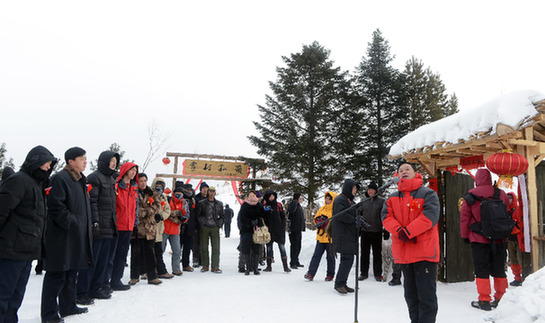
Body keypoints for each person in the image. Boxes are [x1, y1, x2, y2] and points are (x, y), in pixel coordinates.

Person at [0, 146, 56, 323]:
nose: (48, 168)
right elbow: (2, 211)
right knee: (3, 296)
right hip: (10, 251)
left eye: (49, 165)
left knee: (16, 298)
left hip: (26, 251)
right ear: (36, 162)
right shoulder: (18, 181)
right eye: (46, 164)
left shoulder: (36, 185)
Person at [382, 162, 440, 323]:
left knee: (426, 298)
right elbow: (386, 218)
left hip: (425, 253)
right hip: (405, 255)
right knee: (411, 297)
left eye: (407, 169)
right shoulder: (392, 198)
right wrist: (399, 231)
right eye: (400, 170)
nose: (404, 172)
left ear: (416, 173)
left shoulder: (428, 194)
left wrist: (408, 232)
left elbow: (430, 216)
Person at [41, 147, 93, 322]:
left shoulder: (79, 180)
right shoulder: (60, 178)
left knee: (71, 274)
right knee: (56, 276)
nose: (85, 161)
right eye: (82, 158)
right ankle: (49, 314)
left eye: (86, 158)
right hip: (61, 237)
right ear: (70, 161)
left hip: (76, 236)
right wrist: (73, 223)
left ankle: (68, 306)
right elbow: (56, 206)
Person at [460, 168, 510, 311]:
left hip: (478, 238)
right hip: (499, 238)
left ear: (477, 180)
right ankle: (501, 298)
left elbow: (464, 219)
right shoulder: (500, 193)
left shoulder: (470, 196)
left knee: (481, 270)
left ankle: (484, 300)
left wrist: (465, 236)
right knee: (499, 269)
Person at [76, 150, 119, 305]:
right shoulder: (95, 177)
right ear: (104, 161)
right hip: (98, 227)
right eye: (111, 160)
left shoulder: (111, 179)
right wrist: (95, 222)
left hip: (109, 226)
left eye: (115, 161)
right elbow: (92, 202)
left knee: (103, 261)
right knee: (91, 261)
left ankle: (96, 288)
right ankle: (82, 291)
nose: (114, 163)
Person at [110, 162, 139, 291]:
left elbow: (135, 208)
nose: (133, 172)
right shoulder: (116, 186)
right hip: (116, 225)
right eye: (131, 170)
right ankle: (106, 281)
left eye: (135, 170)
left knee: (122, 255)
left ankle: (116, 280)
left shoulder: (134, 188)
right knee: (111, 255)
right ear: (125, 170)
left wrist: (135, 223)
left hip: (128, 226)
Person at [129, 173, 162, 285]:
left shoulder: (152, 193)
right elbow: (132, 208)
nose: (143, 183)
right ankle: (134, 276)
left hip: (149, 228)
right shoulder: (132, 192)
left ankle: (152, 276)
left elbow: (158, 206)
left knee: (150, 253)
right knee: (135, 253)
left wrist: (146, 211)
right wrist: (143, 212)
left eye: (144, 180)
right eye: (140, 181)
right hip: (137, 228)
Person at [331, 179, 360, 294]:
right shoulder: (340, 200)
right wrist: (354, 220)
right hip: (343, 235)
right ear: (348, 188)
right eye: (353, 189)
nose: (355, 191)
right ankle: (339, 284)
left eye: (356, 189)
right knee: (347, 259)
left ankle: (343, 282)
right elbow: (341, 215)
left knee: (347, 259)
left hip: (348, 234)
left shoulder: (347, 200)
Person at [304, 191, 337, 282]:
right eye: (326, 198)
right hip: (320, 237)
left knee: (330, 257)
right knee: (316, 256)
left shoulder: (335, 210)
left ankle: (330, 275)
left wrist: (326, 222)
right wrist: (319, 222)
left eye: (329, 199)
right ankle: (310, 273)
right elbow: (315, 220)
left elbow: (335, 222)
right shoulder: (322, 209)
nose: (327, 200)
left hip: (330, 238)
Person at [358, 181, 386, 281]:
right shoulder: (363, 201)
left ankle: (378, 274)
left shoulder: (381, 202)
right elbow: (359, 215)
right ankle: (363, 273)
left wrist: (385, 229)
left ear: (376, 191)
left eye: (372, 190)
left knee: (377, 253)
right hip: (365, 231)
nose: (370, 191)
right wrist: (359, 229)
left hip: (377, 231)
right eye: (369, 190)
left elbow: (384, 216)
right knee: (364, 253)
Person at [197, 186, 224, 273]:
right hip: (205, 226)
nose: (211, 193)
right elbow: (198, 215)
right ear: (208, 192)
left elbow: (223, 216)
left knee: (216, 248)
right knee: (204, 247)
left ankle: (215, 266)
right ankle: (205, 265)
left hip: (215, 227)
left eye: (213, 192)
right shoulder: (202, 203)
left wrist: (219, 224)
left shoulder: (219, 203)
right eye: (210, 191)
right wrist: (202, 222)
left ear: (215, 193)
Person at [262, 190, 291, 273]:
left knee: (282, 247)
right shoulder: (265, 206)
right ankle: (269, 266)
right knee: (269, 248)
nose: (271, 197)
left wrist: (282, 227)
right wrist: (266, 212)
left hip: (279, 230)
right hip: (269, 230)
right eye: (270, 196)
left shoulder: (278, 205)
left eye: (273, 196)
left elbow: (283, 217)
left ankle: (285, 266)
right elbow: (263, 217)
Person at [151, 177, 174, 279]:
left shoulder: (163, 197)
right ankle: (148, 272)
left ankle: (161, 271)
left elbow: (167, 210)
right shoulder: (149, 195)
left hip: (159, 228)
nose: (159, 187)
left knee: (158, 251)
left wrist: (161, 216)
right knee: (148, 251)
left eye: (161, 186)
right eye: (157, 185)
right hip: (149, 227)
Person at [238, 191, 266, 275]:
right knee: (246, 249)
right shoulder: (244, 205)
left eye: (253, 195)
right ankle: (247, 268)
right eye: (250, 196)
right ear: (248, 197)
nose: (252, 197)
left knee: (256, 248)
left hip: (257, 230)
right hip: (247, 230)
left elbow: (263, 215)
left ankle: (255, 268)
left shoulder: (259, 205)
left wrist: (258, 221)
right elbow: (242, 218)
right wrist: (249, 222)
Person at [164, 185, 187, 276]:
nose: (179, 195)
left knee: (177, 250)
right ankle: (157, 268)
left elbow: (186, 215)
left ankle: (176, 268)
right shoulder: (168, 200)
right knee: (160, 249)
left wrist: (183, 218)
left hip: (175, 230)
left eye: (181, 194)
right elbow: (167, 212)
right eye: (177, 193)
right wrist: (176, 213)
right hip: (164, 229)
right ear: (174, 194)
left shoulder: (183, 203)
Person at [506, 192, 524, 287]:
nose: (508, 199)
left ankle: (523, 277)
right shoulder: (506, 210)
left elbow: (519, 223)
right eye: (507, 198)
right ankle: (517, 278)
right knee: (513, 259)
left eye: (510, 198)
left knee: (519, 258)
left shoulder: (516, 209)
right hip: (510, 238)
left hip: (517, 237)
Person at [180, 183, 197, 272]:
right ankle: (175, 266)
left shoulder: (193, 200)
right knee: (177, 248)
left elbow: (196, 214)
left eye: (190, 190)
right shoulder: (181, 198)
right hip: (180, 226)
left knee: (187, 247)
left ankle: (186, 264)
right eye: (187, 190)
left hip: (190, 227)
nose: (188, 191)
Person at [192, 181, 209, 268]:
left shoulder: (210, 198)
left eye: (206, 188)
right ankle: (195, 259)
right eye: (203, 188)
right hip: (197, 223)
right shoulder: (196, 198)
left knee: (204, 243)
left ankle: (203, 259)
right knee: (196, 242)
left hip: (207, 224)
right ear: (201, 189)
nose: (205, 190)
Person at [288, 192, 305, 269]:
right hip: (293, 229)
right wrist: (295, 201)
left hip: (298, 229)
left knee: (298, 246)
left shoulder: (298, 206)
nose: (301, 200)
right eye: (300, 198)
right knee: (294, 246)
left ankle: (296, 261)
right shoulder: (293, 205)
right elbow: (291, 211)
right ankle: (292, 262)